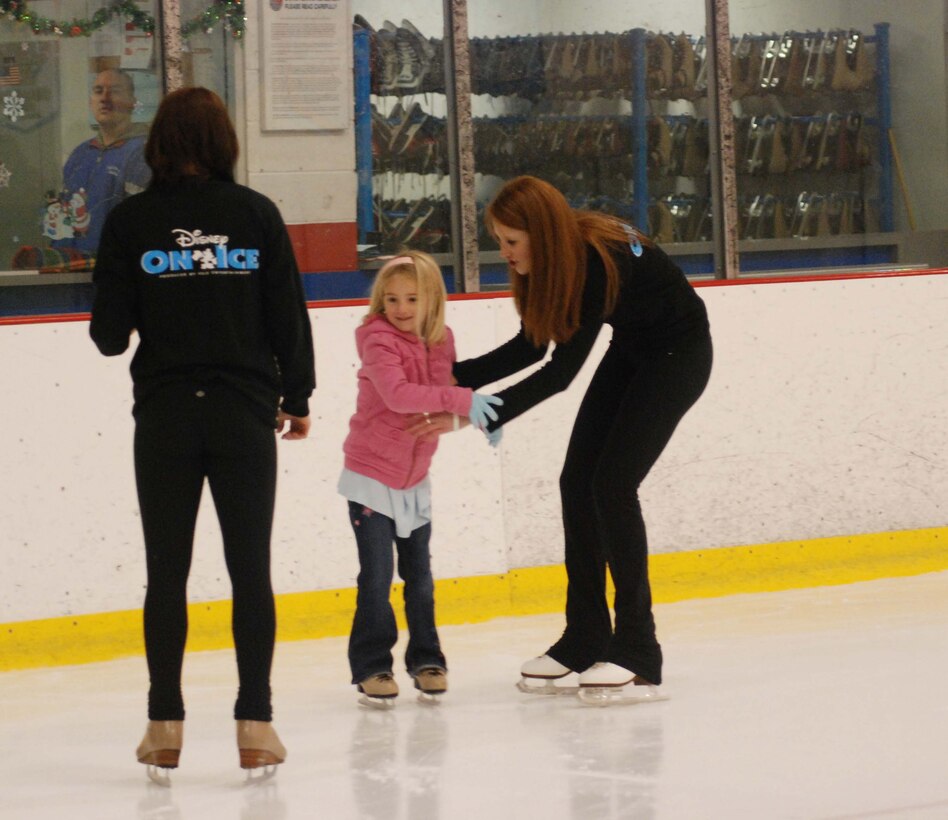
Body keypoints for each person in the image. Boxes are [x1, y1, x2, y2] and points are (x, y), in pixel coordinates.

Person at [414, 175, 713, 699]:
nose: (504, 252)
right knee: (577, 482)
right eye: (499, 240)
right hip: (634, 350)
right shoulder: (549, 264)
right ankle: (585, 636)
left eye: (511, 240)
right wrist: (444, 380)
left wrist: (472, 413)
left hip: (678, 356)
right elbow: (530, 348)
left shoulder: (593, 260)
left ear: (542, 234)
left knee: (613, 486)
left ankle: (638, 648)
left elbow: (560, 374)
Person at [89, 87, 315, 774]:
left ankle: (164, 724)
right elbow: (288, 315)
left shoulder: (130, 222)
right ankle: (256, 724)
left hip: (165, 417)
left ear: (158, 143)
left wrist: (153, 287)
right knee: (251, 570)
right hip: (243, 412)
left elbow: (108, 338)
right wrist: (297, 395)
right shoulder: (255, 214)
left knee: (166, 572)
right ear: (224, 142)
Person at [339, 251, 502, 707]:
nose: (401, 308)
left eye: (412, 298)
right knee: (377, 576)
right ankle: (372, 666)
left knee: (421, 578)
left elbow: (439, 401)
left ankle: (428, 660)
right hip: (371, 477)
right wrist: (465, 401)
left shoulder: (441, 340)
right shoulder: (377, 339)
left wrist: (472, 418)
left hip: (415, 478)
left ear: (432, 299)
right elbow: (398, 395)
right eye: (391, 299)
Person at [44, 68, 150, 258]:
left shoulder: (144, 152)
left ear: (132, 102)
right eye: (98, 91)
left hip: (116, 267)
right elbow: (63, 217)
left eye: (115, 91)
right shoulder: (80, 154)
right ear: (90, 101)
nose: (104, 98)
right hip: (71, 267)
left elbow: (142, 225)